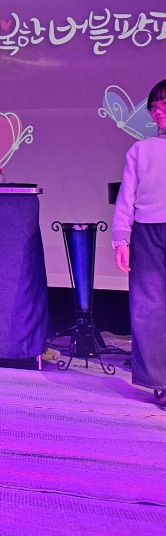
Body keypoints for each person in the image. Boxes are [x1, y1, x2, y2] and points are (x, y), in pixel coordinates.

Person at [113, 78, 166, 409]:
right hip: (148, 233)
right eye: (154, 107)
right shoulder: (140, 150)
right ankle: (160, 381)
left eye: (165, 104)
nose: (159, 111)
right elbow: (126, 198)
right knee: (149, 307)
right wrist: (122, 238)